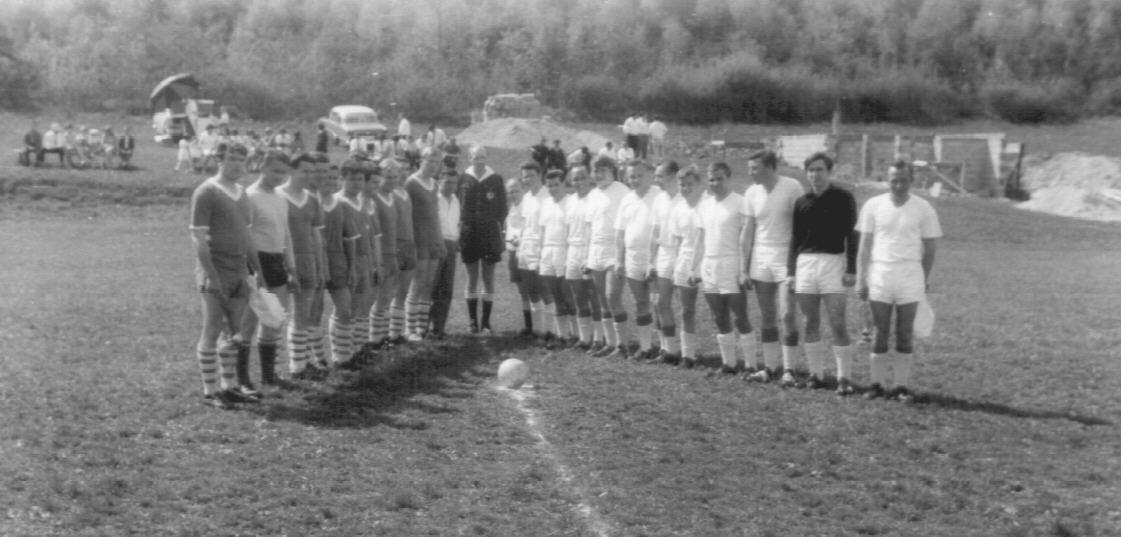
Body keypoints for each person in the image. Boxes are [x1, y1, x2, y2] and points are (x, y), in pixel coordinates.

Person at [857, 160, 941, 403]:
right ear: (887, 180)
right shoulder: (874, 205)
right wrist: (861, 278)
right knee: (879, 330)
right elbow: (865, 244)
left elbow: (931, 246)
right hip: (881, 272)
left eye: (903, 180)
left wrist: (923, 278)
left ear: (911, 180)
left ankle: (900, 387)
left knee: (904, 331)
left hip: (909, 274)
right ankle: (876, 384)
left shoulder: (923, 208)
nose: (898, 185)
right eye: (893, 180)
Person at [189, 142, 262, 409]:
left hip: (239, 269)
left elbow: (247, 235)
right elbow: (198, 238)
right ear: (219, 159)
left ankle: (229, 386)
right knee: (212, 328)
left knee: (235, 330)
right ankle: (210, 391)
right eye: (231, 158)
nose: (237, 164)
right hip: (215, 269)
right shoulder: (206, 191)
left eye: (242, 159)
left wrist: (257, 269)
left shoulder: (242, 193)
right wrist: (212, 275)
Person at [788, 152, 860, 394]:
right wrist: (791, 271)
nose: (815, 174)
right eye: (811, 170)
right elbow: (795, 239)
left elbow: (852, 235)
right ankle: (815, 375)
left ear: (829, 172)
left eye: (819, 170)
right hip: (806, 264)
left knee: (837, 322)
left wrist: (851, 268)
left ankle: (844, 379)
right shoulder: (801, 202)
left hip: (833, 263)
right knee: (810, 322)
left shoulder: (844, 198)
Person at [236, 150, 298, 390]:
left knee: (274, 319)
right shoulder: (249, 196)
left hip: (277, 261)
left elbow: (286, 235)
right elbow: (244, 235)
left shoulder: (281, 198)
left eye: (283, 172)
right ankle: (242, 379)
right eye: (274, 171)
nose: (279, 176)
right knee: (248, 322)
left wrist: (291, 267)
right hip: (254, 262)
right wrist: (251, 270)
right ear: (262, 167)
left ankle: (268, 375)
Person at [743, 150, 805, 386]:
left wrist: (795, 263)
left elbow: (802, 226)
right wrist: (744, 266)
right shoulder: (751, 192)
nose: (750, 173)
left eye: (755, 168)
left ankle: (789, 370)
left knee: (787, 314)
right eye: (749, 168)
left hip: (786, 257)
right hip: (761, 258)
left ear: (770, 167)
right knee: (767, 315)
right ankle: (769, 368)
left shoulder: (792, 187)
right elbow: (748, 231)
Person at [692, 162, 755, 373]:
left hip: (731, 262)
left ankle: (750, 364)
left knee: (739, 315)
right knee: (718, 316)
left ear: (728, 179)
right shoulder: (705, 204)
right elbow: (700, 239)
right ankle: (728, 363)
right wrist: (695, 267)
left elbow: (746, 238)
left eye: (719, 178)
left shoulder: (740, 202)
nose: (715, 183)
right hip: (709, 264)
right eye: (711, 179)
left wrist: (742, 268)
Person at [280, 153, 328, 379]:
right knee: (282, 313)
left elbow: (316, 236)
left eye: (311, 171)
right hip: (282, 260)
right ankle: (296, 366)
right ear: (291, 170)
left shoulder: (312, 199)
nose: (308, 176)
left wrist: (320, 265)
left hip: (307, 260)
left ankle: (301, 363)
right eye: (304, 171)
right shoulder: (278, 196)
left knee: (305, 312)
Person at [611, 160, 662, 359]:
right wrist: (619, 260)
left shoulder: (659, 195)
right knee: (641, 302)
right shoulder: (626, 199)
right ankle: (646, 347)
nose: (636, 180)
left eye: (640, 175)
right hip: (633, 257)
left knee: (659, 303)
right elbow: (619, 233)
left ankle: (668, 348)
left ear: (649, 175)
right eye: (632, 176)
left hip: (656, 257)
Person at [459, 145, 507, 335]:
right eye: (475, 157)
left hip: (489, 234)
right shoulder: (463, 178)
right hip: (469, 233)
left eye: (482, 157)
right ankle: (472, 321)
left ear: (487, 158)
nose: (479, 160)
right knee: (471, 277)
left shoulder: (495, 179)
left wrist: (501, 233)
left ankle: (486, 323)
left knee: (488, 278)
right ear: (469, 158)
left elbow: (503, 209)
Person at [585, 157, 631, 356]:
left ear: (612, 171)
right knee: (602, 299)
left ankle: (623, 345)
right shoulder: (592, 194)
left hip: (614, 249)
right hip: (596, 251)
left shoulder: (622, 191)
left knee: (613, 297)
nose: (598, 174)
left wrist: (623, 253)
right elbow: (590, 226)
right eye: (595, 170)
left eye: (602, 170)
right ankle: (610, 343)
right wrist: (588, 257)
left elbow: (628, 222)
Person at [323, 159, 366, 366]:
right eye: (327, 178)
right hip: (314, 261)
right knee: (311, 312)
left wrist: (351, 267)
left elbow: (350, 239)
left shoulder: (341, 205)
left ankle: (342, 357)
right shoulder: (312, 201)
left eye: (333, 178)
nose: (330, 181)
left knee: (345, 309)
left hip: (338, 261)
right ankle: (312, 361)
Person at [404, 147, 446, 341]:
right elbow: (406, 214)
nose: (432, 166)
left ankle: (422, 327)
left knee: (429, 285)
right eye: (429, 161)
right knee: (417, 283)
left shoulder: (435, 184)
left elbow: (436, 214)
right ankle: (409, 328)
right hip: (418, 240)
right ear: (421, 160)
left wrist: (440, 239)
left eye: (436, 163)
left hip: (433, 240)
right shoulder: (411, 183)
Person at [563, 166, 601, 350]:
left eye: (582, 178)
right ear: (571, 181)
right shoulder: (570, 201)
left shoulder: (595, 198)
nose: (579, 182)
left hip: (590, 249)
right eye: (575, 179)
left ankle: (599, 338)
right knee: (578, 296)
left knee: (594, 296)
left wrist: (589, 255)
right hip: (573, 250)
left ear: (589, 179)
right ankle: (585, 338)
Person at [671, 166, 705, 367]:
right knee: (686, 310)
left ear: (699, 184)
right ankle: (688, 355)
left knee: (719, 310)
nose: (685, 188)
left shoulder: (708, 205)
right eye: (682, 185)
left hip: (706, 261)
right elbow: (677, 239)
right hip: (684, 260)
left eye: (689, 184)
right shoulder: (678, 207)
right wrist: (678, 263)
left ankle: (730, 360)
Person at [649, 160, 683, 363]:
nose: (656, 180)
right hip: (663, 254)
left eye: (660, 176)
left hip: (682, 255)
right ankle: (668, 349)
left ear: (672, 176)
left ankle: (687, 352)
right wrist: (651, 260)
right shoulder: (659, 199)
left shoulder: (685, 197)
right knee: (660, 303)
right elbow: (655, 232)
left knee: (684, 307)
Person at [536, 169, 573, 344]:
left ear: (564, 183)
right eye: (549, 185)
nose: (553, 189)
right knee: (555, 296)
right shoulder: (545, 204)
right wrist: (540, 254)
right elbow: (542, 231)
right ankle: (562, 335)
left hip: (564, 252)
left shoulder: (571, 202)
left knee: (568, 295)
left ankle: (578, 335)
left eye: (556, 185)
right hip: (548, 252)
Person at [369, 158, 402, 347]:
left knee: (387, 297)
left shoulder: (393, 197)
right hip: (380, 255)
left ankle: (381, 338)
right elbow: (376, 233)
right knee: (377, 299)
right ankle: (373, 341)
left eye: (395, 177)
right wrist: (378, 261)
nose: (391, 181)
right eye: (387, 177)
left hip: (392, 253)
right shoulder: (375, 198)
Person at [516, 161, 551, 341]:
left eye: (531, 176)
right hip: (525, 250)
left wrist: (542, 252)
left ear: (540, 175)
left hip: (540, 249)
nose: (527, 179)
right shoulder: (527, 197)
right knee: (531, 291)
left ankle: (550, 332)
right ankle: (537, 330)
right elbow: (523, 224)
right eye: (525, 176)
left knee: (545, 291)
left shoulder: (547, 197)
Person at [429, 169, 461, 338]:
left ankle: (439, 328)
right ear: (439, 181)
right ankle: (423, 328)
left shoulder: (456, 200)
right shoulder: (434, 198)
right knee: (431, 287)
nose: (451, 186)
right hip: (435, 243)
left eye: (454, 182)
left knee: (446, 288)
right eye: (447, 182)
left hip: (451, 245)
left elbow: (456, 223)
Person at [389, 157, 417, 343]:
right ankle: (388, 333)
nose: (404, 173)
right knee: (391, 291)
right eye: (400, 170)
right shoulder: (389, 194)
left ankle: (398, 332)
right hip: (395, 245)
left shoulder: (406, 192)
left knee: (404, 290)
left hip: (409, 244)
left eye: (407, 169)